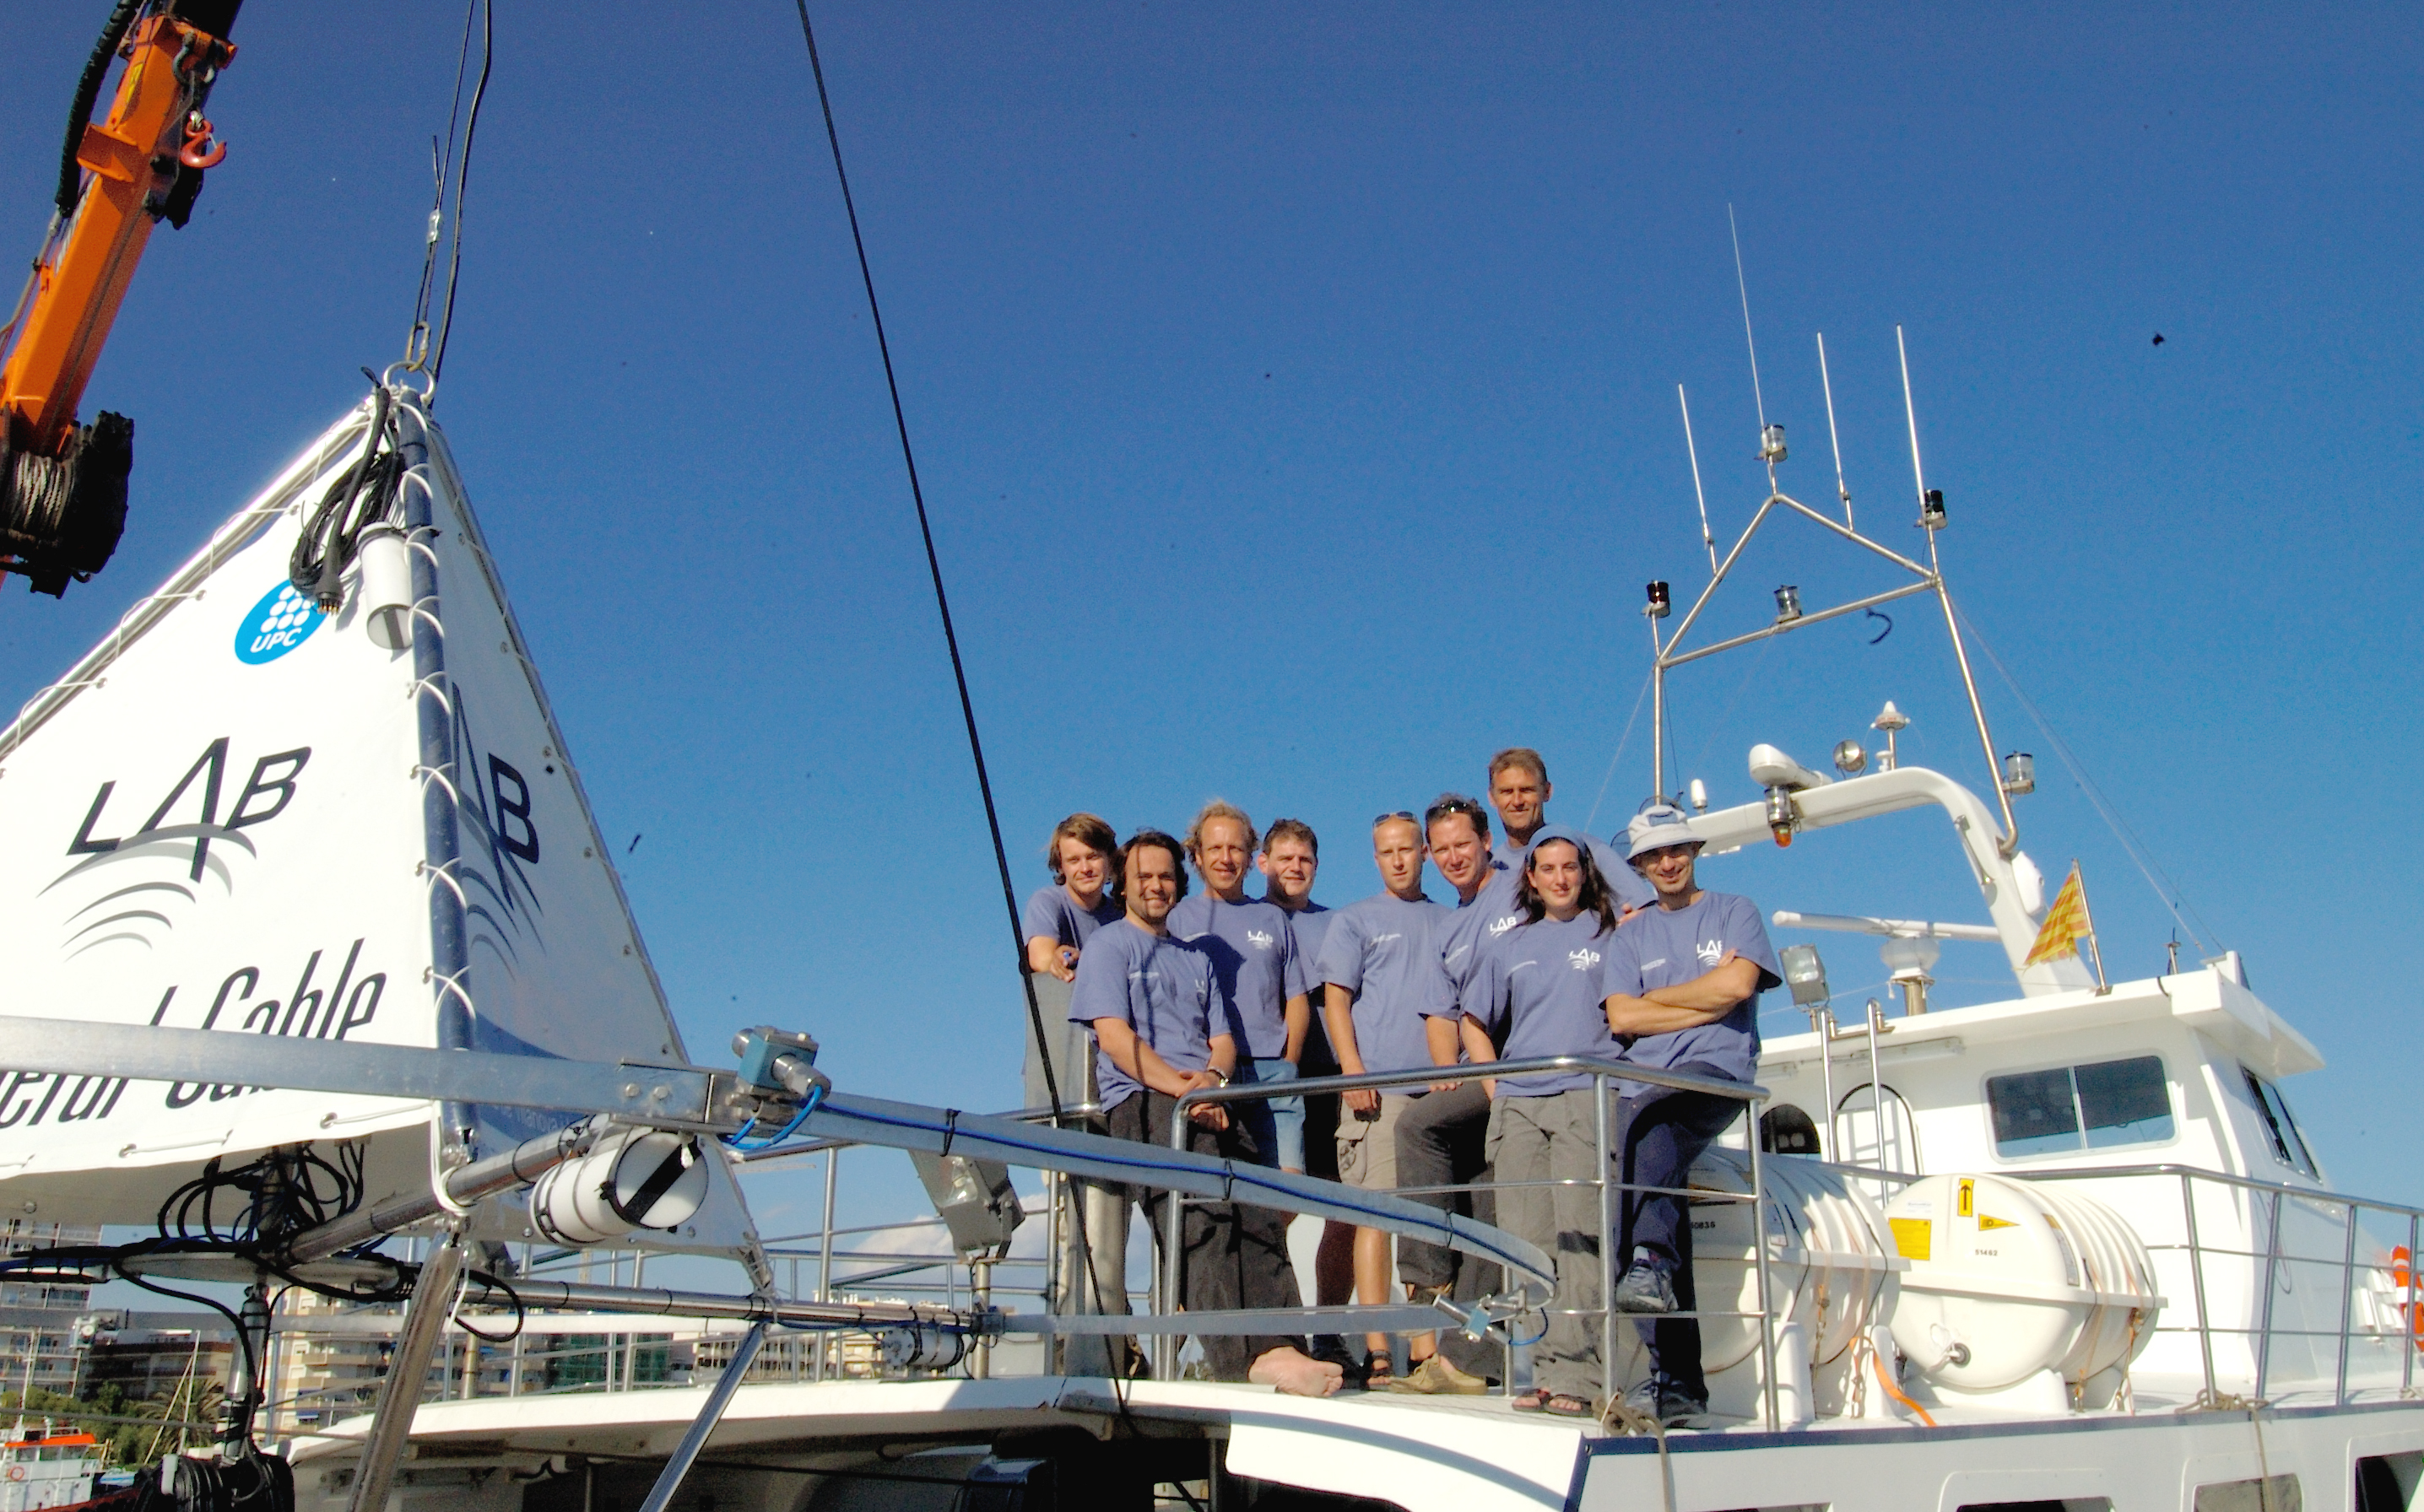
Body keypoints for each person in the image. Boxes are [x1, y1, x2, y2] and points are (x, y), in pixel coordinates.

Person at [1069, 829, 1342, 1396]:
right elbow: (1116, 1041)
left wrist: (1212, 1085)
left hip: (1206, 1098)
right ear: (1126, 882)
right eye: (1144, 876)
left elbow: (1222, 1038)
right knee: (1202, 1223)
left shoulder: (1195, 959)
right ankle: (1243, 1358)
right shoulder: (1109, 947)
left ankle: (1283, 1342)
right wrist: (1183, 1091)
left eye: (1166, 876)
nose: (1156, 886)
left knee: (1259, 1216)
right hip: (1145, 1101)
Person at [1604, 801, 1782, 1428]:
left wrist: (1660, 1001)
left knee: (1655, 1132)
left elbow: (1737, 988)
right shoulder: (1629, 934)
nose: (1668, 862)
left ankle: (1654, 1264)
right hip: (1643, 1082)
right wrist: (1699, 999)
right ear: (1640, 864)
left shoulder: (1735, 910)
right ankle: (1676, 1384)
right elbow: (1623, 1018)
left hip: (1715, 1074)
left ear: (1694, 852)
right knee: (1642, 1204)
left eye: (1677, 849)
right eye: (1654, 854)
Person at [1455, 826, 1628, 1418]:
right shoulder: (1510, 944)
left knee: (1580, 1238)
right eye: (1546, 868)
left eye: (1569, 868)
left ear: (1584, 874)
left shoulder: (1611, 935)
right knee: (1527, 1243)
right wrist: (1494, 1084)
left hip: (1583, 1095)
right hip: (1520, 1104)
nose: (1559, 878)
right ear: (1530, 877)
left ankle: (1579, 1375)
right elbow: (1473, 1020)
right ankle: (1540, 1369)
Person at [1314, 812, 1450, 1385]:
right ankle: (1377, 1349)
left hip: (1438, 1092)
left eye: (1407, 849)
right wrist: (1353, 1069)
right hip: (1378, 1092)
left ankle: (1427, 1349)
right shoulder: (1354, 920)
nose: (1398, 860)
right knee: (1376, 1216)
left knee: (1429, 1222)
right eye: (1386, 852)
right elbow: (1335, 1001)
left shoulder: (1451, 920)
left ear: (1424, 851)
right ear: (1375, 858)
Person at [1383, 794, 1503, 1394]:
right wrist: (1443, 1070)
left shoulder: (1517, 891)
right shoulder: (1447, 928)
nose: (1455, 857)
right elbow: (1439, 1014)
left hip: (1524, 1074)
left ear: (1487, 842)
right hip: (1479, 1082)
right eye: (1444, 848)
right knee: (1485, 1215)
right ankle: (1468, 1357)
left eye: (1465, 844)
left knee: (1416, 1127)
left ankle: (1431, 1274)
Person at [1258, 817, 1357, 1369]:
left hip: (1332, 1080)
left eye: (1305, 860)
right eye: (1285, 858)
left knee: (1344, 1212)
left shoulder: (1339, 924)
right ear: (1263, 862)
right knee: (1277, 1210)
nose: (1294, 869)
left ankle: (1328, 1334)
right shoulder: (1247, 921)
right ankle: (1261, 1323)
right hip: (1269, 1083)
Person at [1171, 802, 1312, 1173]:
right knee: (1222, 1190)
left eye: (1235, 848)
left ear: (1251, 857)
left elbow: (1296, 997)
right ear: (1197, 856)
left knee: (1289, 1189)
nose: (1225, 858)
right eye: (1215, 849)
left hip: (1272, 1071)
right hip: (1209, 1072)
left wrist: (1289, 1061)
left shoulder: (1272, 917)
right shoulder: (1177, 919)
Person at [1024, 813, 1123, 983]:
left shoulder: (1122, 913)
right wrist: (1058, 959)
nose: (1085, 868)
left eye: (1093, 857)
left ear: (1110, 860)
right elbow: (1041, 960)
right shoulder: (1046, 902)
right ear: (1060, 866)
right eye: (1074, 860)